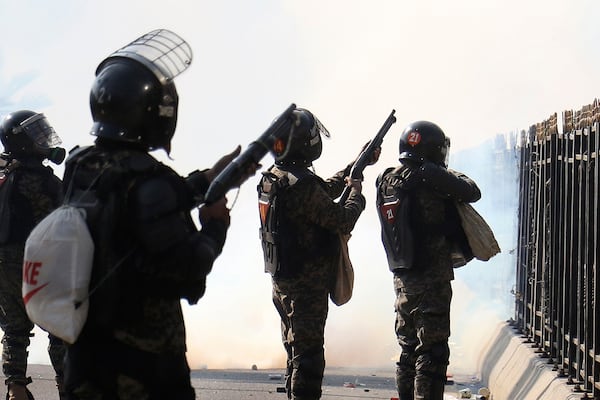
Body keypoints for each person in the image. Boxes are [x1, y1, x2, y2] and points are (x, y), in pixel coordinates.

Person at [60, 29, 255, 400]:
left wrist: (209, 179)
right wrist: (215, 225)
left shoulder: (81, 165)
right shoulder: (151, 179)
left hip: (86, 357)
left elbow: (133, 198)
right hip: (142, 368)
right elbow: (190, 271)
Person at [257, 108, 379, 400]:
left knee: (296, 355)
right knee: (309, 360)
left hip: (284, 281)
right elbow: (342, 219)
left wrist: (356, 165)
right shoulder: (302, 184)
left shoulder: (276, 178)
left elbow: (322, 190)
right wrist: (356, 193)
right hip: (305, 286)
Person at [375, 120, 481, 400]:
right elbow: (471, 191)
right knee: (432, 352)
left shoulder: (387, 179)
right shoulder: (430, 182)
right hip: (431, 278)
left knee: (408, 348)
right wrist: (436, 170)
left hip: (403, 278)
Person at [0, 110, 67, 400]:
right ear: (22, 141)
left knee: (15, 331)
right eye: (35, 133)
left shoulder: (4, 176)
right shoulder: (43, 181)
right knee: (60, 329)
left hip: (3, 266)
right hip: (36, 264)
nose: (43, 138)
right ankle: (68, 387)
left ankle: (16, 388)